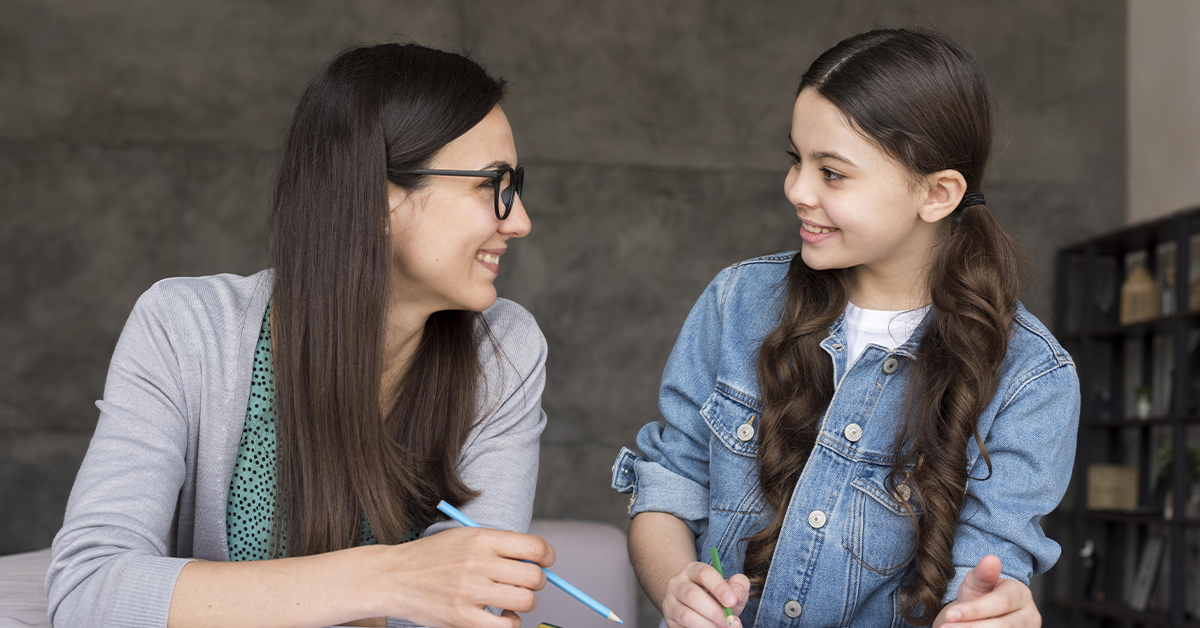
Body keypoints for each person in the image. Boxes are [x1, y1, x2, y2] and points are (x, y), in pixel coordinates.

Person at [45, 43, 551, 628]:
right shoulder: (185, 328)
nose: (518, 220)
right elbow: (88, 591)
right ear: (379, 193)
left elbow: (471, 607)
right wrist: (390, 579)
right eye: (493, 185)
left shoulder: (504, 349)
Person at [613, 29, 1079, 628]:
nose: (797, 191)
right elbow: (669, 485)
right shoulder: (738, 302)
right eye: (796, 160)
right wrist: (676, 583)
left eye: (831, 173)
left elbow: (988, 574)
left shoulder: (1031, 380)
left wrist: (991, 610)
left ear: (937, 193)